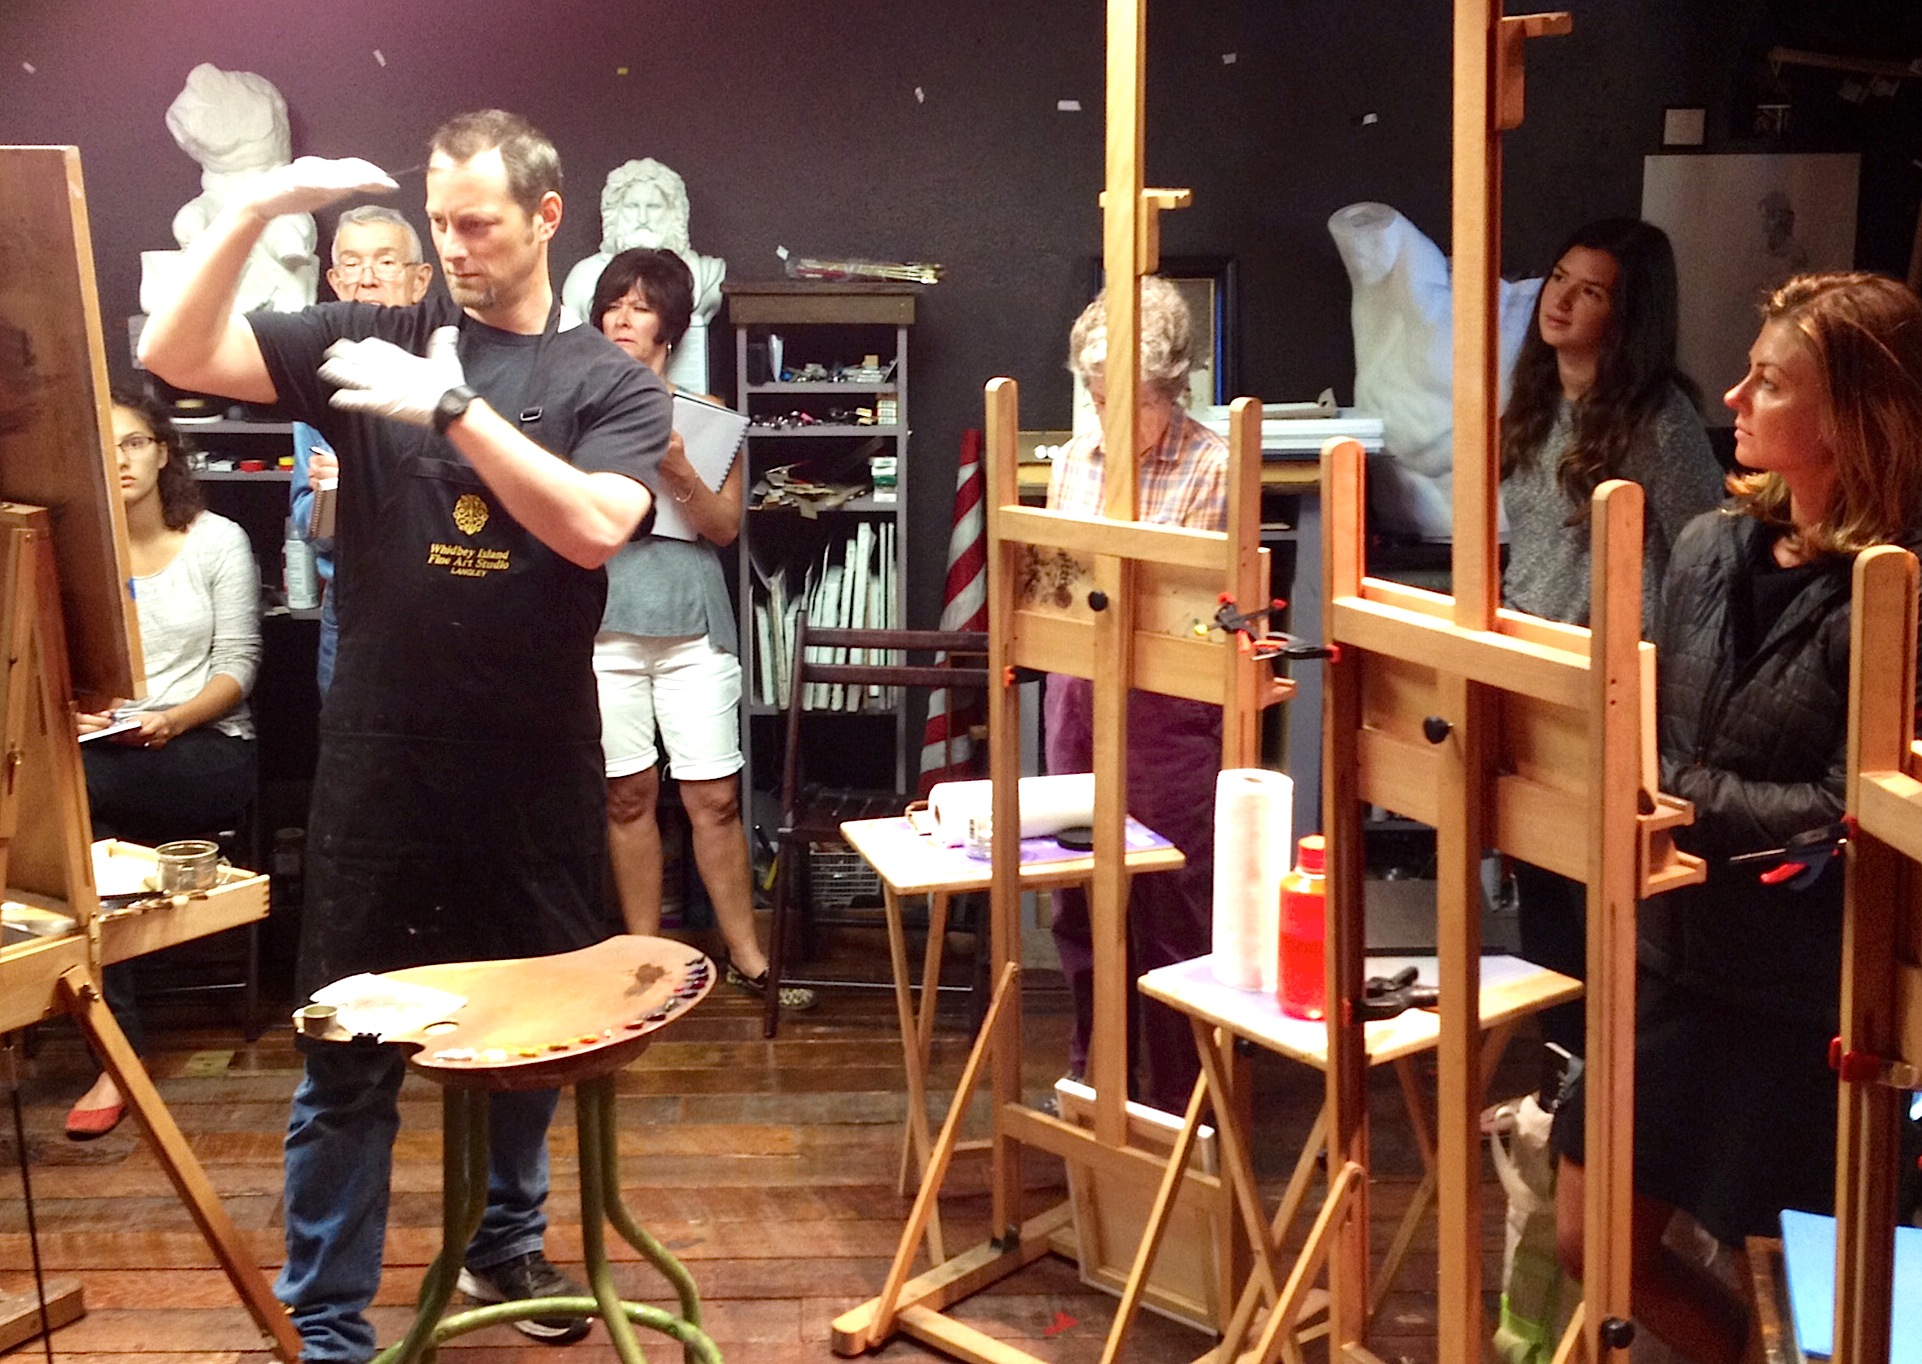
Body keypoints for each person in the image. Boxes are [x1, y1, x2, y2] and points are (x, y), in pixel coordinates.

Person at [138, 110, 668, 1363]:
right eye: (440, 222)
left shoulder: (607, 380)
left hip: (532, 765)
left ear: (546, 215)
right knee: (348, 1046)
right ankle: (327, 1317)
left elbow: (593, 525)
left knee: (534, 1031)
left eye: (477, 221)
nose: (454, 245)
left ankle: (505, 1236)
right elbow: (175, 351)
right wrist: (257, 210)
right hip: (383, 765)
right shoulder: (368, 334)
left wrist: (455, 410)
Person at [1552, 272, 1922, 1364]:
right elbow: (1657, 726)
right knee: (1592, 1244)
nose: (1733, 396)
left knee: (1805, 1295)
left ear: (1851, 417)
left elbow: (1849, 808)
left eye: (1769, 381)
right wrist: (1651, 774)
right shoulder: (1713, 546)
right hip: (1672, 952)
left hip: (1800, 991)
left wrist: (1679, 794)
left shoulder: (1898, 586)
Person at [1499, 218, 1724, 1054]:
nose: (1560, 300)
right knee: (1541, 883)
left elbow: (1709, 554)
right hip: (1533, 671)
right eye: (1559, 278)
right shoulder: (1533, 401)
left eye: (1590, 291)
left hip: (1616, 689)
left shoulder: (1658, 419)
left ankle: (1612, 1081)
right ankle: (1561, 1075)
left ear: (1626, 316)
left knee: (1603, 899)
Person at [588, 248, 815, 1011]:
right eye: (614, 304)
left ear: (670, 326)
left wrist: (678, 467)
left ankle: (746, 956)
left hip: (691, 624)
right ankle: (643, 963)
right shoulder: (574, 409)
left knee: (714, 798)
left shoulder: (708, 414)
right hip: (604, 623)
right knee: (627, 796)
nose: (623, 318)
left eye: (641, 306)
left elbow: (723, 527)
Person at [1045, 276, 1228, 1113]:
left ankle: (1181, 1093)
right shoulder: (1074, 461)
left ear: (1173, 390)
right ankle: (1097, 1070)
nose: (1112, 420)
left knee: (1170, 895)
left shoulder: (1211, 465)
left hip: (1165, 701)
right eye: (1096, 399)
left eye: (1134, 402)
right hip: (1077, 691)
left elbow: (1193, 614)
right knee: (1077, 887)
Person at [66, 389, 261, 1140]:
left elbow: (238, 666)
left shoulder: (217, 540)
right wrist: (76, 712)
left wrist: (170, 719)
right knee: (77, 814)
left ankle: (113, 1052)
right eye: (106, 444)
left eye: (135, 442)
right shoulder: (74, 547)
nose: (120, 459)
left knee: (72, 802)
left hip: (203, 748)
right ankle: (116, 1047)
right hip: (102, 750)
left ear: (163, 452)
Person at [290, 205, 436, 695]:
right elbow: (317, 533)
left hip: (444, 598)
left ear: (420, 280)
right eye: (351, 265)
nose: (367, 279)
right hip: (353, 602)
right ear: (334, 281)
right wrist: (334, 492)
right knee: (348, 738)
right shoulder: (320, 381)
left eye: (386, 262)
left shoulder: (449, 368)